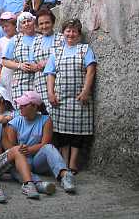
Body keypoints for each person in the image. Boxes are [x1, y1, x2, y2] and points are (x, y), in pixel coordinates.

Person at [45, 19, 97, 174]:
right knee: (61, 133)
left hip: (79, 98)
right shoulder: (56, 51)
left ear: (79, 35)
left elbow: (91, 70)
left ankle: (73, 163)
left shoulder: (84, 49)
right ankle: (63, 162)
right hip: (60, 98)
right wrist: (50, 93)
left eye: (74, 31)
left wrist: (86, 90)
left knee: (77, 133)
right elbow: (50, 74)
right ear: (63, 33)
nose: (71, 34)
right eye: (68, 30)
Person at [6, 91, 76, 193]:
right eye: (20, 104)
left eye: (24, 105)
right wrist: (20, 151)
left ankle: (65, 176)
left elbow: (44, 144)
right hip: (22, 160)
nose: (20, 106)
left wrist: (28, 149)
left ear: (34, 106)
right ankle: (38, 184)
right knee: (13, 167)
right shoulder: (14, 122)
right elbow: (11, 147)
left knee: (49, 147)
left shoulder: (46, 120)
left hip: (38, 160)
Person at [2, 12, 38, 106]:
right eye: (23, 22)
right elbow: (5, 61)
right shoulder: (15, 40)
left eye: (29, 21)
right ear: (20, 27)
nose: (26, 24)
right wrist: (19, 65)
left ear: (34, 22)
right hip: (21, 80)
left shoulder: (41, 37)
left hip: (39, 78)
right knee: (23, 107)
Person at [33, 9, 65, 111]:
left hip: (57, 82)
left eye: (47, 22)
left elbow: (65, 58)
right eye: (41, 24)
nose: (44, 26)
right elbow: (31, 61)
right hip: (40, 83)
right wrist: (35, 66)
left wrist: (46, 62)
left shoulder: (62, 38)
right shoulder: (36, 40)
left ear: (53, 23)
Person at [0, 12, 17, 100]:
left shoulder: (21, 38)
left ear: (15, 25)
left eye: (7, 26)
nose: (4, 28)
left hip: (18, 72)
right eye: (3, 27)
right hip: (6, 74)